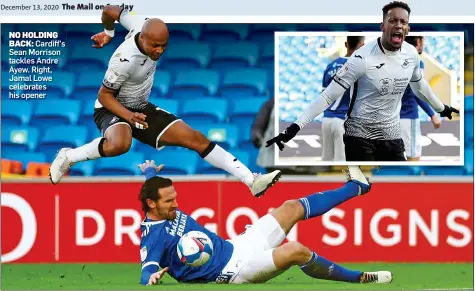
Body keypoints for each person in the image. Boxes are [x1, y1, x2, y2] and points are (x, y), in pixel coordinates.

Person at [48, 6, 281, 197]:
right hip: (112, 109)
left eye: (164, 46)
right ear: (143, 38)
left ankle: (251, 180)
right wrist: (128, 116)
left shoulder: (141, 22)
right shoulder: (123, 60)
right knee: (121, 142)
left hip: (140, 107)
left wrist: (108, 32)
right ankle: (68, 156)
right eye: (155, 46)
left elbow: (109, 10)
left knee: (196, 138)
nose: (159, 51)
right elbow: (103, 96)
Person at [137, 160, 392, 286]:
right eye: (169, 201)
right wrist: (150, 278)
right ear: (151, 204)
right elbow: (147, 268)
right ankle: (359, 278)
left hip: (236, 246)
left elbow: (152, 189)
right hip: (235, 271)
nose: (176, 204)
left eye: (175, 198)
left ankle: (357, 186)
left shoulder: (158, 203)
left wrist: (150, 173)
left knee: (291, 207)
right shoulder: (153, 237)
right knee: (295, 250)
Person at [266, 1, 459, 162]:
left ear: (408, 28)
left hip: (391, 136)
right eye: (392, 21)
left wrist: (441, 108)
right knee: (359, 188)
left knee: (397, 183)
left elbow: (420, 87)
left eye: (403, 22)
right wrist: (294, 128)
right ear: (382, 26)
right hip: (360, 136)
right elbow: (327, 97)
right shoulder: (361, 59)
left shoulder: (411, 55)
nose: (399, 25)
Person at [321, 36, 365, 161]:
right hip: (343, 121)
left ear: (346, 44)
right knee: (343, 165)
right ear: (362, 46)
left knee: (326, 163)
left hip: (327, 119)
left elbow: (323, 95)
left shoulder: (330, 66)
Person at [400, 36, 441, 161]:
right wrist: (432, 114)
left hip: (393, 118)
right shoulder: (416, 62)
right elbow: (416, 91)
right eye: (423, 40)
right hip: (408, 117)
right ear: (418, 41)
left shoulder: (395, 60)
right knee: (412, 159)